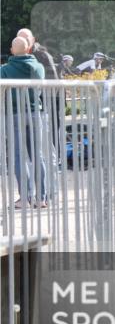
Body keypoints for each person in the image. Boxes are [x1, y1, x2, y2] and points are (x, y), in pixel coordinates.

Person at [2, 36, 48, 207]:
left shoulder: (5, 69)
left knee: (18, 156)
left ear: (12, 51)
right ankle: (41, 197)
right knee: (38, 155)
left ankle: (25, 197)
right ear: (29, 49)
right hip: (36, 113)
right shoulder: (38, 67)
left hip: (14, 114)